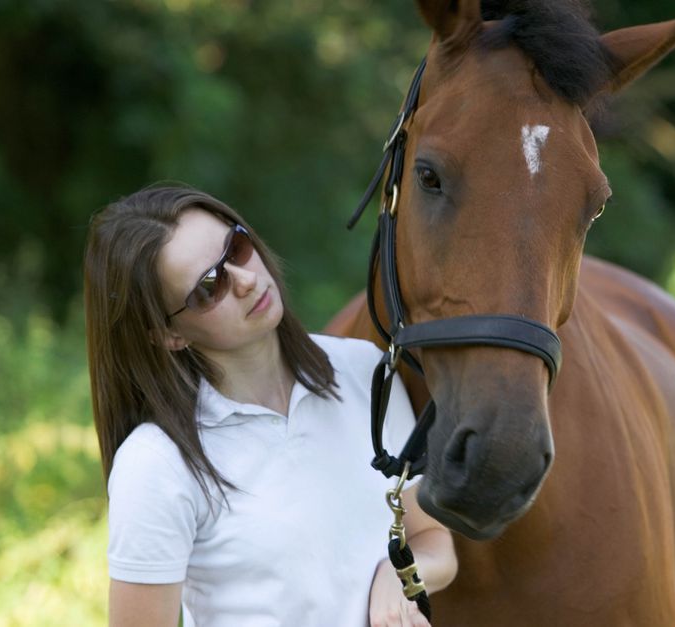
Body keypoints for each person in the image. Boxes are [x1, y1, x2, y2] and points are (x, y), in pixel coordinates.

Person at [83, 185, 457, 627]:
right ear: (169, 335)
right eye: (209, 286)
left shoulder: (366, 374)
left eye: (236, 247)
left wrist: (397, 575)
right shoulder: (157, 464)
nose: (244, 280)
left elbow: (435, 541)